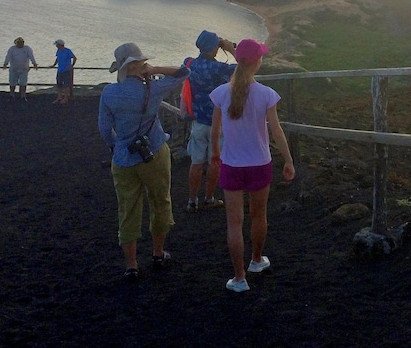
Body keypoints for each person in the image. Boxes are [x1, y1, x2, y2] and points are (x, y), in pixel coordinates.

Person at [98, 43, 190, 282]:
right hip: (154, 152)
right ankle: (158, 254)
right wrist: (154, 68)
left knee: (127, 209)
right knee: (160, 201)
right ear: (139, 65)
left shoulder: (109, 93)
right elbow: (184, 72)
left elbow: (105, 129)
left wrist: (116, 146)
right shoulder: (153, 88)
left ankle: (131, 265)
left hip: (123, 158)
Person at [209, 39, 295, 292]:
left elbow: (215, 132)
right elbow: (277, 132)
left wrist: (216, 153)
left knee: (234, 223)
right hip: (260, 163)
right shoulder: (267, 94)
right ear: (257, 62)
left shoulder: (221, 93)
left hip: (232, 165)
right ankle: (257, 260)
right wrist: (288, 160)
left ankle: (239, 278)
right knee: (259, 216)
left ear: (238, 60)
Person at [184, 30, 238, 213]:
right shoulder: (219, 69)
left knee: (196, 163)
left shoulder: (189, 63)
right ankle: (208, 198)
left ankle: (192, 200)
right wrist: (230, 48)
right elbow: (245, 67)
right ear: (214, 48)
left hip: (198, 122)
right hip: (218, 123)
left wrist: (216, 45)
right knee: (215, 162)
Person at [3, 37, 39, 101]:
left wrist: (34, 63)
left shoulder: (27, 48)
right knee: (12, 83)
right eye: (19, 43)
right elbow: (8, 56)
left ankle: (23, 96)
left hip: (24, 69)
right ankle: (12, 95)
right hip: (14, 69)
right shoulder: (12, 49)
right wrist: (5, 63)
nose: (21, 44)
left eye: (22, 42)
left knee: (23, 83)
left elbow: (31, 56)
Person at [51, 39, 77, 104]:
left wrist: (71, 65)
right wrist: (54, 65)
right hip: (60, 70)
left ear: (60, 45)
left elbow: (74, 58)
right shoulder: (58, 51)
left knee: (66, 85)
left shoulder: (67, 51)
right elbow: (57, 58)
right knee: (59, 84)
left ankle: (65, 98)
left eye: (57, 45)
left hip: (66, 70)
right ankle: (59, 97)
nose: (56, 46)